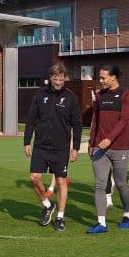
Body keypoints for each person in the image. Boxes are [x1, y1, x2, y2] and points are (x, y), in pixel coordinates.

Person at [24, 62, 82, 231]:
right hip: (41, 145)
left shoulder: (71, 97)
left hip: (61, 147)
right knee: (34, 177)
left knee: (61, 181)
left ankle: (60, 217)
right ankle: (48, 205)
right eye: (55, 78)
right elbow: (31, 120)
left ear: (65, 78)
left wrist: (75, 148)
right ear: (50, 78)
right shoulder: (40, 95)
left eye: (60, 78)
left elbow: (77, 124)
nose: (57, 81)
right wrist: (27, 141)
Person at [86, 64, 129, 234]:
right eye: (99, 77)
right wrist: (92, 143)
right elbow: (95, 122)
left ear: (113, 77)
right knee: (99, 185)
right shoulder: (99, 96)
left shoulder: (126, 95)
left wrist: (109, 139)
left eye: (103, 77)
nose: (100, 81)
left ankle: (127, 214)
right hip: (99, 149)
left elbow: (124, 121)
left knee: (121, 184)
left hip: (120, 147)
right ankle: (101, 223)